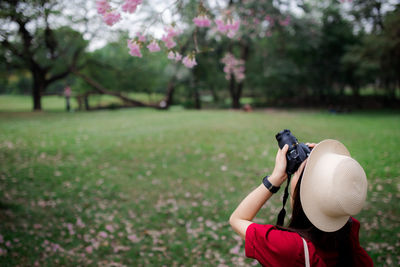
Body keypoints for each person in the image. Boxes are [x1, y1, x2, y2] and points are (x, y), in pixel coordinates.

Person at [229, 139, 373, 267]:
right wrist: (328, 165)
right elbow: (339, 192)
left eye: (298, 173)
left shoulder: (292, 248)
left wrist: (274, 179)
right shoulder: (348, 230)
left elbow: (237, 220)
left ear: (302, 191)